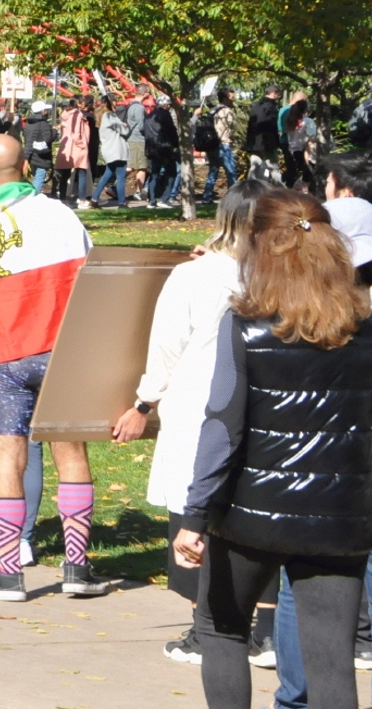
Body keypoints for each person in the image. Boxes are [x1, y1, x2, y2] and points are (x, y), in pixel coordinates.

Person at [174, 188, 372, 709]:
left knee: (222, 628)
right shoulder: (361, 324)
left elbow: (223, 428)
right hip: (338, 516)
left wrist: (194, 513)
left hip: (250, 513)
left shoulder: (246, 325)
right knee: (331, 658)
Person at [112, 180, 267, 664]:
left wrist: (143, 403)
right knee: (251, 519)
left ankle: (209, 630)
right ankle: (265, 629)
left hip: (202, 411)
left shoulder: (194, 278)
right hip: (263, 414)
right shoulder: (284, 278)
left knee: (194, 515)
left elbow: (167, 348)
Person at [0, 133, 107, 603]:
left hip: (4, 358)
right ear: (25, 168)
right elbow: (91, 277)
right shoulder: (61, 215)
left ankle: (8, 571)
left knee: (6, 460)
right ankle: (77, 567)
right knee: (72, 455)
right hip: (62, 354)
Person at [60, 96, 94, 210]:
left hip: (67, 146)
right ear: (78, 103)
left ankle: (63, 199)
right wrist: (82, 145)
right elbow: (76, 132)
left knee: (65, 174)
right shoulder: (77, 115)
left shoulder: (65, 114)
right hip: (77, 147)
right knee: (82, 172)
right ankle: (82, 199)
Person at [195, 95, 230, 205]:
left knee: (213, 171)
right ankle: (233, 198)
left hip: (211, 145)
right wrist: (227, 138)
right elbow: (224, 128)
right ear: (226, 98)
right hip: (222, 144)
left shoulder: (212, 110)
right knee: (231, 171)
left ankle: (207, 197)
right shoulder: (225, 111)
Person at [246, 85, 285, 183]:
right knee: (274, 168)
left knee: (254, 167)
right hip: (267, 143)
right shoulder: (271, 108)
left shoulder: (255, 105)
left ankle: (249, 188)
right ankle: (279, 190)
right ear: (274, 93)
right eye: (278, 94)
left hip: (254, 142)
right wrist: (275, 143)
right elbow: (271, 126)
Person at [22, 101, 58, 196]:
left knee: (35, 175)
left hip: (32, 154)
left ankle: (32, 195)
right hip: (41, 155)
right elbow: (48, 139)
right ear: (42, 111)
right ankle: (34, 197)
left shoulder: (29, 123)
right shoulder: (43, 124)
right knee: (40, 176)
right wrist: (54, 131)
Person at [283, 98, 317, 192]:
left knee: (306, 175)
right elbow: (312, 138)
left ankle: (298, 192)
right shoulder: (308, 122)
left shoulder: (291, 122)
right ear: (306, 109)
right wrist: (308, 152)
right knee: (309, 177)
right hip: (308, 152)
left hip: (295, 151)